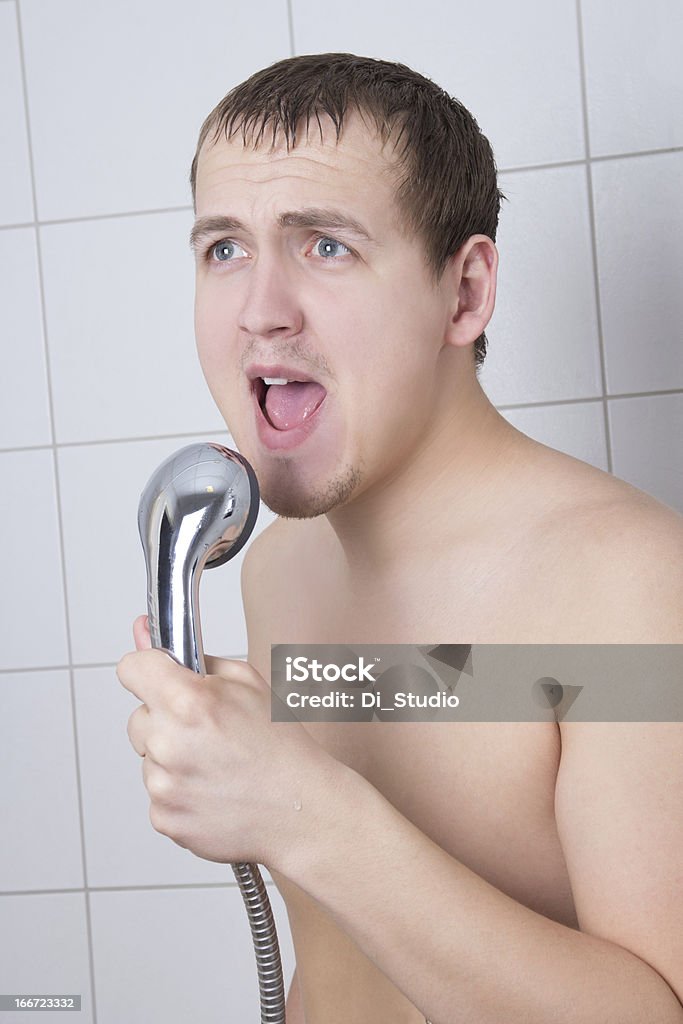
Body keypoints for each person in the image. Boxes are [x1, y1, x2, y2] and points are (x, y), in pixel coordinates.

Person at [117, 53, 683, 1023]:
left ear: (462, 292)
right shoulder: (281, 570)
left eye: (324, 245)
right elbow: (341, 963)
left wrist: (300, 807)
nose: (260, 308)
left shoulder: (622, 583)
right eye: (224, 248)